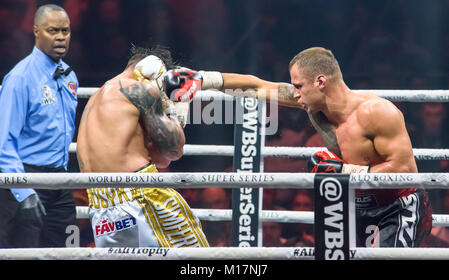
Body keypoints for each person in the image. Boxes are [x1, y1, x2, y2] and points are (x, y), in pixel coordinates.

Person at [197, 46, 432, 248]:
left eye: (298, 86)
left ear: (320, 82)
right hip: (357, 206)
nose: (295, 94)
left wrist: (344, 172)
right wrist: (204, 80)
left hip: (398, 206)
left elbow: (403, 170)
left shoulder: (377, 112)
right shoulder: (313, 105)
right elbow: (257, 86)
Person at [76, 45, 209, 248]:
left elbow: (160, 158)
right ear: (155, 71)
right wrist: (171, 105)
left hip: (101, 209)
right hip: (142, 196)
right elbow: (175, 149)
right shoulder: (141, 90)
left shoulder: (96, 99)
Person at [0, 4, 78, 248]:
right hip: (25, 177)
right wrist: (23, 191)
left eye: (65, 31)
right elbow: (4, 143)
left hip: (59, 180)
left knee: (65, 251)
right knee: (23, 251)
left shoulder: (69, 76)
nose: (60, 37)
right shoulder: (19, 79)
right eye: (52, 30)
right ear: (36, 31)